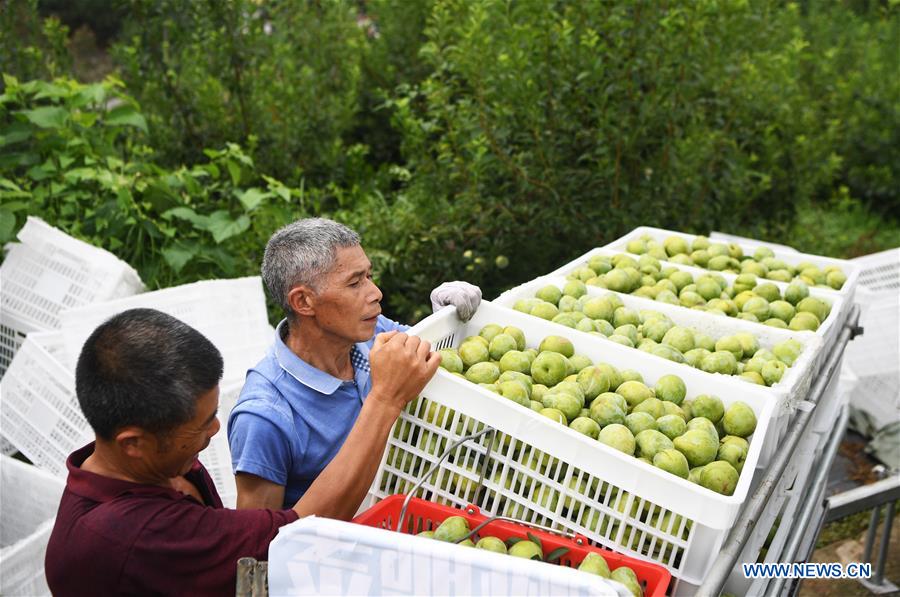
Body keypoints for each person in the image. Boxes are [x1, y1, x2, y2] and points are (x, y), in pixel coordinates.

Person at [45, 308, 439, 596]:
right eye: (200, 425)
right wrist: (385, 400)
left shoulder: (146, 464)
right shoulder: (132, 536)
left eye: (213, 414)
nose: (216, 430)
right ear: (133, 443)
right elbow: (297, 534)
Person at [228, 217, 481, 510]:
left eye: (369, 277)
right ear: (304, 302)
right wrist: (384, 398)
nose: (375, 293)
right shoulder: (264, 417)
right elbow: (260, 546)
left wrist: (445, 323)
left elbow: (436, 359)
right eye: (355, 283)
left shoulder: (373, 334)